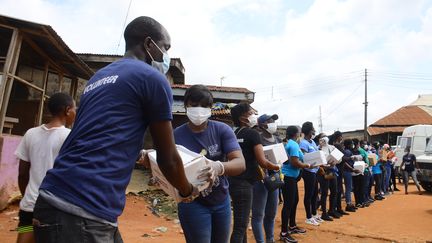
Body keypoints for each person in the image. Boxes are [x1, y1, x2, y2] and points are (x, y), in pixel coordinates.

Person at [33, 16, 207, 243]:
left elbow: (101, 135)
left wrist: (141, 155)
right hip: (83, 209)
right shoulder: (152, 78)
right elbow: (169, 160)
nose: (166, 56)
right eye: (165, 48)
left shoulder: (98, 78)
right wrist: (187, 190)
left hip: (56, 197)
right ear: (148, 44)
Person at [173, 85, 245, 243]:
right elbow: (168, 166)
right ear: (185, 106)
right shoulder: (175, 135)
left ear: (211, 108)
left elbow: (240, 163)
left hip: (221, 201)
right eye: (194, 105)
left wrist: (218, 167)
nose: (199, 110)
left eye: (204, 106)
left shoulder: (222, 130)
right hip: (192, 202)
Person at [15, 93, 76, 243]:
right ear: (68, 110)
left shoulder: (30, 133)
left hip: (28, 208)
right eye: (75, 109)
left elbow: (22, 173)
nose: (75, 113)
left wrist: (27, 196)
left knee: (24, 237)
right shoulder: (70, 137)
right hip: (55, 208)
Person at [229, 103, 280, 243]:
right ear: (243, 117)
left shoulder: (233, 134)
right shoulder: (253, 134)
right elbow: (263, 162)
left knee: (241, 222)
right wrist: (276, 166)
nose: (254, 115)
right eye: (251, 112)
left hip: (233, 181)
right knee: (240, 228)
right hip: (246, 183)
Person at [251, 114, 281, 243]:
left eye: (274, 121)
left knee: (271, 213)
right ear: (262, 124)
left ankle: (270, 239)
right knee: (258, 214)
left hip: (274, 179)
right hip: (260, 180)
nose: (273, 123)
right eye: (270, 121)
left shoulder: (277, 139)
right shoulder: (257, 139)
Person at [280, 126, 309, 243]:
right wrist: (307, 166)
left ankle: (291, 226)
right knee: (288, 204)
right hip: (288, 177)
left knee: (294, 201)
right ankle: (284, 233)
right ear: (296, 134)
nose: (300, 133)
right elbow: (294, 162)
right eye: (299, 132)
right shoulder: (293, 145)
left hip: (291, 177)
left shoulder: (292, 144)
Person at [298, 122, 322, 226]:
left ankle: (314, 214)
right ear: (309, 131)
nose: (314, 131)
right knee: (309, 194)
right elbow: (303, 157)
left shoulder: (312, 142)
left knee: (315, 193)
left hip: (315, 171)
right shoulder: (303, 143)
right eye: (312, 129)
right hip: (308, 172)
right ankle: (308, 217)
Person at [317, 135, 338, 221]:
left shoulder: (332, 147)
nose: (324, 139)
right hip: (322, 172)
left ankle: (331, 210)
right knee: (324, 192)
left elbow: (338, 158)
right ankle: (324, 213)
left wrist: (334, 162)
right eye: (322, 137)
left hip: (332, 170)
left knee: (334, 191)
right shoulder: (318, 148)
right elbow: (316, 161)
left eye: (325, 137)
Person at [328, 131, 348, 216]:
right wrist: (351, 158)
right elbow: (342, 158)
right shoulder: (337, 145)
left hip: (339, 169)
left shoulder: (334, 145)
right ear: (338, 137)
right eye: (341, 136)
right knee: (337, 190)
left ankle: (338, 208)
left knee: (338, 190)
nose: (342, 138)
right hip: (338, 169)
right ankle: (336, 209)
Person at [342, 139, 361, 212]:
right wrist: (352, 169)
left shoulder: (348, 151)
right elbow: (345, 162)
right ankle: (348, 204)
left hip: (348, 171)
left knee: (349, 188)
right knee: (348, 188)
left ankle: (349, 203)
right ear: (349, 144)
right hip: (347, 171)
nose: (353, 145)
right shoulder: (347, 151)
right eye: (352, 144)